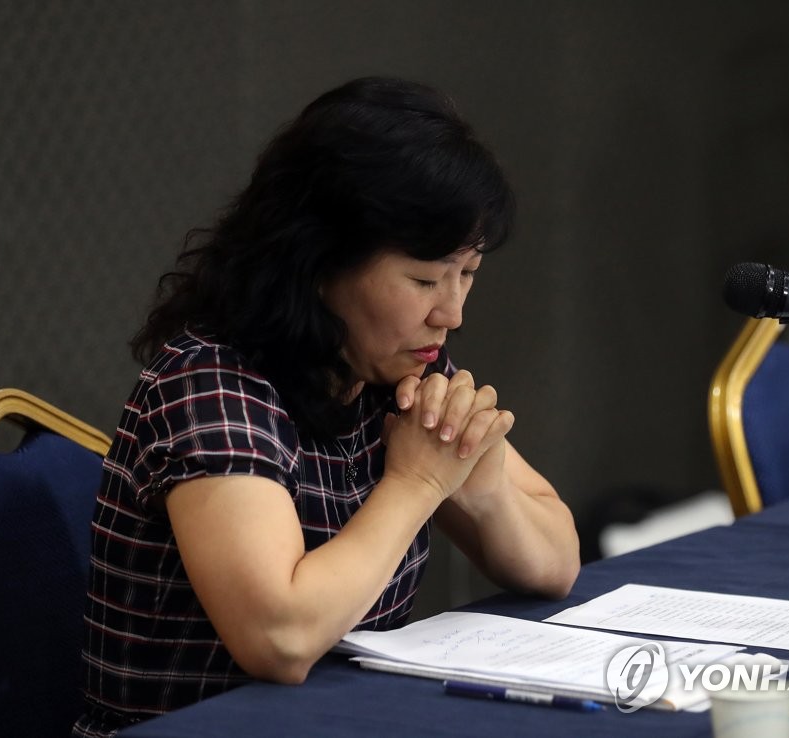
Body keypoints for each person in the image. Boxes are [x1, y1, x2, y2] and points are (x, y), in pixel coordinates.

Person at [72, 76, 580, 737]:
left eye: (468, 274)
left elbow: (557, 563)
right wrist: (418, 483)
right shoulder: (210, 387)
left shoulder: (395, 365)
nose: (451, 313)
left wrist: (484, 495)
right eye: (425, 279)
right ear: (319, 261)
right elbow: (279, 639)